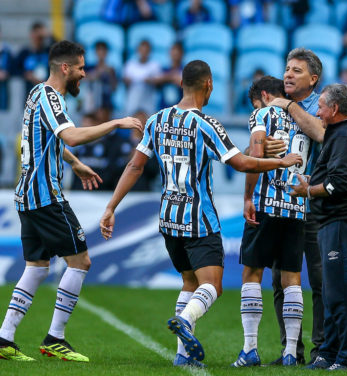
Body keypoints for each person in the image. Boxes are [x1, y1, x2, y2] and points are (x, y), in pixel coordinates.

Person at [99, 60, 303, 368]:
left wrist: (111, 206)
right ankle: (184, 318)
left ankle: (183, 354)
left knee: (189, 283)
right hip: (199, 218)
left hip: (168, 218)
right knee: (212, 285)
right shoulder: (207, 124)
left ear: (181, 84)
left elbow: (135, 166)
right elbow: (243, 164)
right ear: (208, 85)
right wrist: (282, 162)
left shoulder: (157, 119)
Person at [0, 40, 142, 362]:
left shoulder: (36, 94)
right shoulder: (51, 97)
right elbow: (69, 135)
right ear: (65, 68)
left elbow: (46, 139)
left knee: (37, 266)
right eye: (81, 68)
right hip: (46, 197)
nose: (84, 74)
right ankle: (55, 337)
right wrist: (116, 123)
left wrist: (72, 162)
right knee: (81, 261)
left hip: (27, 196)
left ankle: (4, 339)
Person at [231, 76, 312, 367]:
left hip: (266, 203)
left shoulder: (262, 114)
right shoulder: (304, 118)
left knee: (252, 273)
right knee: (291, 278)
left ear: (264, 96)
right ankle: (291, 352)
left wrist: (248, 197)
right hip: (297, 205)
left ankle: (250, 349)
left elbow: (255, 153)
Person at [289, 83, 347, 371]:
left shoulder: (344, 138)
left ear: (334, 109)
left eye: (321, 106)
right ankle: (328, 354)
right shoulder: (341, 134)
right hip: (333, 222)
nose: (318, 111)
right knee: (333, 293)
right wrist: (310, 182)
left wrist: (308, 192)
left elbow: (338, 184)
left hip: (341, 222)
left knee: (341, 293)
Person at [265, 47, 326, 366]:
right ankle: (291, 349)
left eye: (296, 71)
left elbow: (319, 132)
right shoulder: (273, 108)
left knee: (318, 279)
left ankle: (321, 350)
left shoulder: (321, 105)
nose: (288, 74)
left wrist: (288, 104)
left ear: (313, 79)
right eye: (287, 69)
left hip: (312, 204)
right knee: (280, 280)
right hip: (281, 203)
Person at [122, 40, 162, 116]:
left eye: (146, 50)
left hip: (148, 103)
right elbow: (124, 82)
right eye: (142, 50)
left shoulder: (154, 65)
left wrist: (150, 81)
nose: (144, 52)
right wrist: (127, 81)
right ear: (138, 50)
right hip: (133, 101)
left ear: (150, 51)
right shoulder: (130, 65)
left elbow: (158, 83)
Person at [15, 22, 51, 98]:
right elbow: (14, 69)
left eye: (41, 37)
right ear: (31, 35)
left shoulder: (49, 51)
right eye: (36, 36)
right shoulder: (24, 53)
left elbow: (63, 52)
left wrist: (50, 35)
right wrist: (27, 75)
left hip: (47, 93)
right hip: (29, 93)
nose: (38, 39)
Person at [86, 41, 117, 111]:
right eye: (99, 50)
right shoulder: (89, 68)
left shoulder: (111, 70)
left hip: (106, 104)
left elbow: (114, 88)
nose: (101, 53)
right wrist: (98, 73)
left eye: (103, 50)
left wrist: (111, 75)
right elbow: (84, 80)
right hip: (91, 103)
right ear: (96, 52)